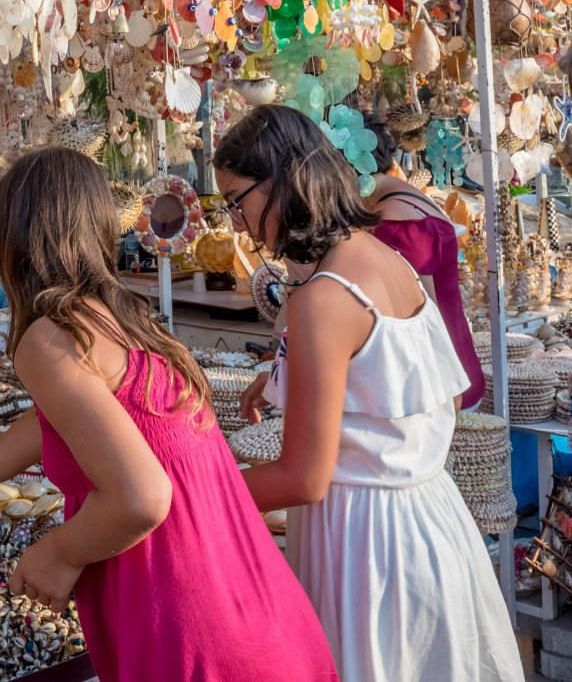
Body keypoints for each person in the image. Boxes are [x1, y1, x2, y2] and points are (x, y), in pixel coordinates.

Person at [0, 147, 336, 682]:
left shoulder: (50, 337)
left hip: (192, 630)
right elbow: (38, 429)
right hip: (260, 611)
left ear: (17, 236)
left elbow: (141, 496)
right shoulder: (124, 317)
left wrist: (59, 553)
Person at [215, 105, 520, 682]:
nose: (235, 223)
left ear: (282, 180)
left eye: (237, 200)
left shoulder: (322, 298)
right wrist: (289, 377)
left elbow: (304, 477)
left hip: (367, 550)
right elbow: (431, 393)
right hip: (433, 524)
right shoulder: (387, 260)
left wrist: (200, 491)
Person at [361, 116, 484, 408]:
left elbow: (419, 322)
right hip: (458, 369)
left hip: (440, 389)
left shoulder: (394, 222)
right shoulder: (410, 198)